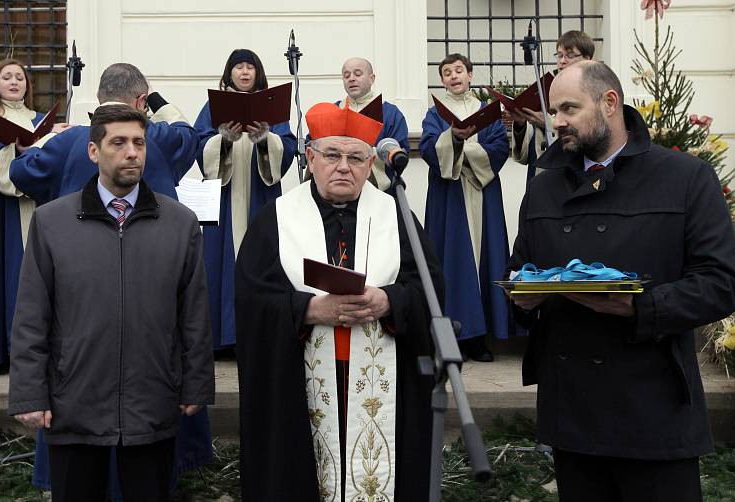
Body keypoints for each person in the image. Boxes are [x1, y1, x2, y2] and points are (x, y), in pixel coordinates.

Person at [507, 61, 735, 501]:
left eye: (568, 108)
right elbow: (520, 271)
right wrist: (522, 298)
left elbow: (722, 283)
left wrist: (641, 307)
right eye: (554, 110)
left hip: (654, 414)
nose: (555, 121)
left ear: (609, 103)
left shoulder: (685, 178)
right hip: (572, 417)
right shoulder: (543, 189)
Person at [9, 63, 211, 496]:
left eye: (139, 142)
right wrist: (28, 392)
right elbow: (32, 314)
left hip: (150, 390)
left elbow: (192, 311)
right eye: (118, 142)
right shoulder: (51, 224)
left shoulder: (179, 224)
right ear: (94, 150)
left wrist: (196, 381)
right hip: (77, 389)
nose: (133, 152)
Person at [235, 102, 444, 501]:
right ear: (311, 158)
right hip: (299, 382)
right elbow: (250, 300)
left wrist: (389, 301)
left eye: (355, 157)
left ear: (370, 165)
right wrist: (309, 309)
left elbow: (429, 287)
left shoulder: (396, 215)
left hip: (382, 378)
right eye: (332, 155)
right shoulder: (275, 218)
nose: (343, 167)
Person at [0, 58, 70, 372]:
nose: (14, 81)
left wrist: (52, 138)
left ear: (27, 85)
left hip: (34, 205)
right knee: (3, 270)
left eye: (19, 77)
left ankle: (34, 351)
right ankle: (0, 351)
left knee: (34, 275)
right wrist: (16, 150)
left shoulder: (38, 118)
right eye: (7, 76)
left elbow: (49, 159)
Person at [193, 48, 296, 351]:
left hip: (259, 199)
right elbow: (200, 146)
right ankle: (223, 338)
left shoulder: (270, 107)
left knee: (262, 259)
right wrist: (222, 139)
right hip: (224, 202)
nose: (244, 72)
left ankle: (259, 336)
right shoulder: (213, 106)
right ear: (229, 73)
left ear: (257, 73)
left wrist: (266, 140)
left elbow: (287, 148)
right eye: (238, 67)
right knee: (220, 263)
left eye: (250, 67)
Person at [421, 53, 510, 361]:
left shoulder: (489, 112)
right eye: (447, 72)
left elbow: (499, 149)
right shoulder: (435, 115)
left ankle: (480, 338)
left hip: (483, 196)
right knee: (452, 261)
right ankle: (454, 337)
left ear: (470, 75)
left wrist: (463, 146)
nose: (453, 76)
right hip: (450, 199)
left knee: (486, 259)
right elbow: (429, 150)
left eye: (459, 70)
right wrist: (453, 139)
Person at [10, 62, 198, 205]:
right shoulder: (158, 137)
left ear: (99, 98)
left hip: (84, 247)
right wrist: (154, 97)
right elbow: (188, 135)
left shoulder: (67, 140)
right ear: (141, 101)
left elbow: (20, 171)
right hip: (148, 248)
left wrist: (43, 139)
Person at [506, 30, 595, 176]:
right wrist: (521, 123)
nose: (562, 60)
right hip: (541, 173)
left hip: (573, 172)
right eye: (559, 55)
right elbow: (530, 150)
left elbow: (590, 135)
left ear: (587, 58)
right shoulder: (546, 89)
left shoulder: (593, 90)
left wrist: (547, 123)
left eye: (570, 55)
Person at [336, 57, 409, 194]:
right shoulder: (334, 111)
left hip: (380, 192)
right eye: (346, 75)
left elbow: (400, 155)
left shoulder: (390, 113)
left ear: (372, 78)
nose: (351, 78)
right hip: (339, 193)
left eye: (357, 74)